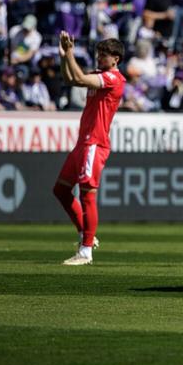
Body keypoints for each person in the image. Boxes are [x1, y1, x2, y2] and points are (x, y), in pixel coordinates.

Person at [52, 34, 126, 266]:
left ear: (115, 59)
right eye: (98, 53)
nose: (99, 57)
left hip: (95, 143)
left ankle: (85, 252)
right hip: (83, 143)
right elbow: (71, 79)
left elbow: (81, 79)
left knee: (87, 195)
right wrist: (65, 56)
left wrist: (70, 52)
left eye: (104, 55)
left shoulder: (114, 78)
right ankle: (87, 236)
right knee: (61, 191)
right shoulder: (99, 74)